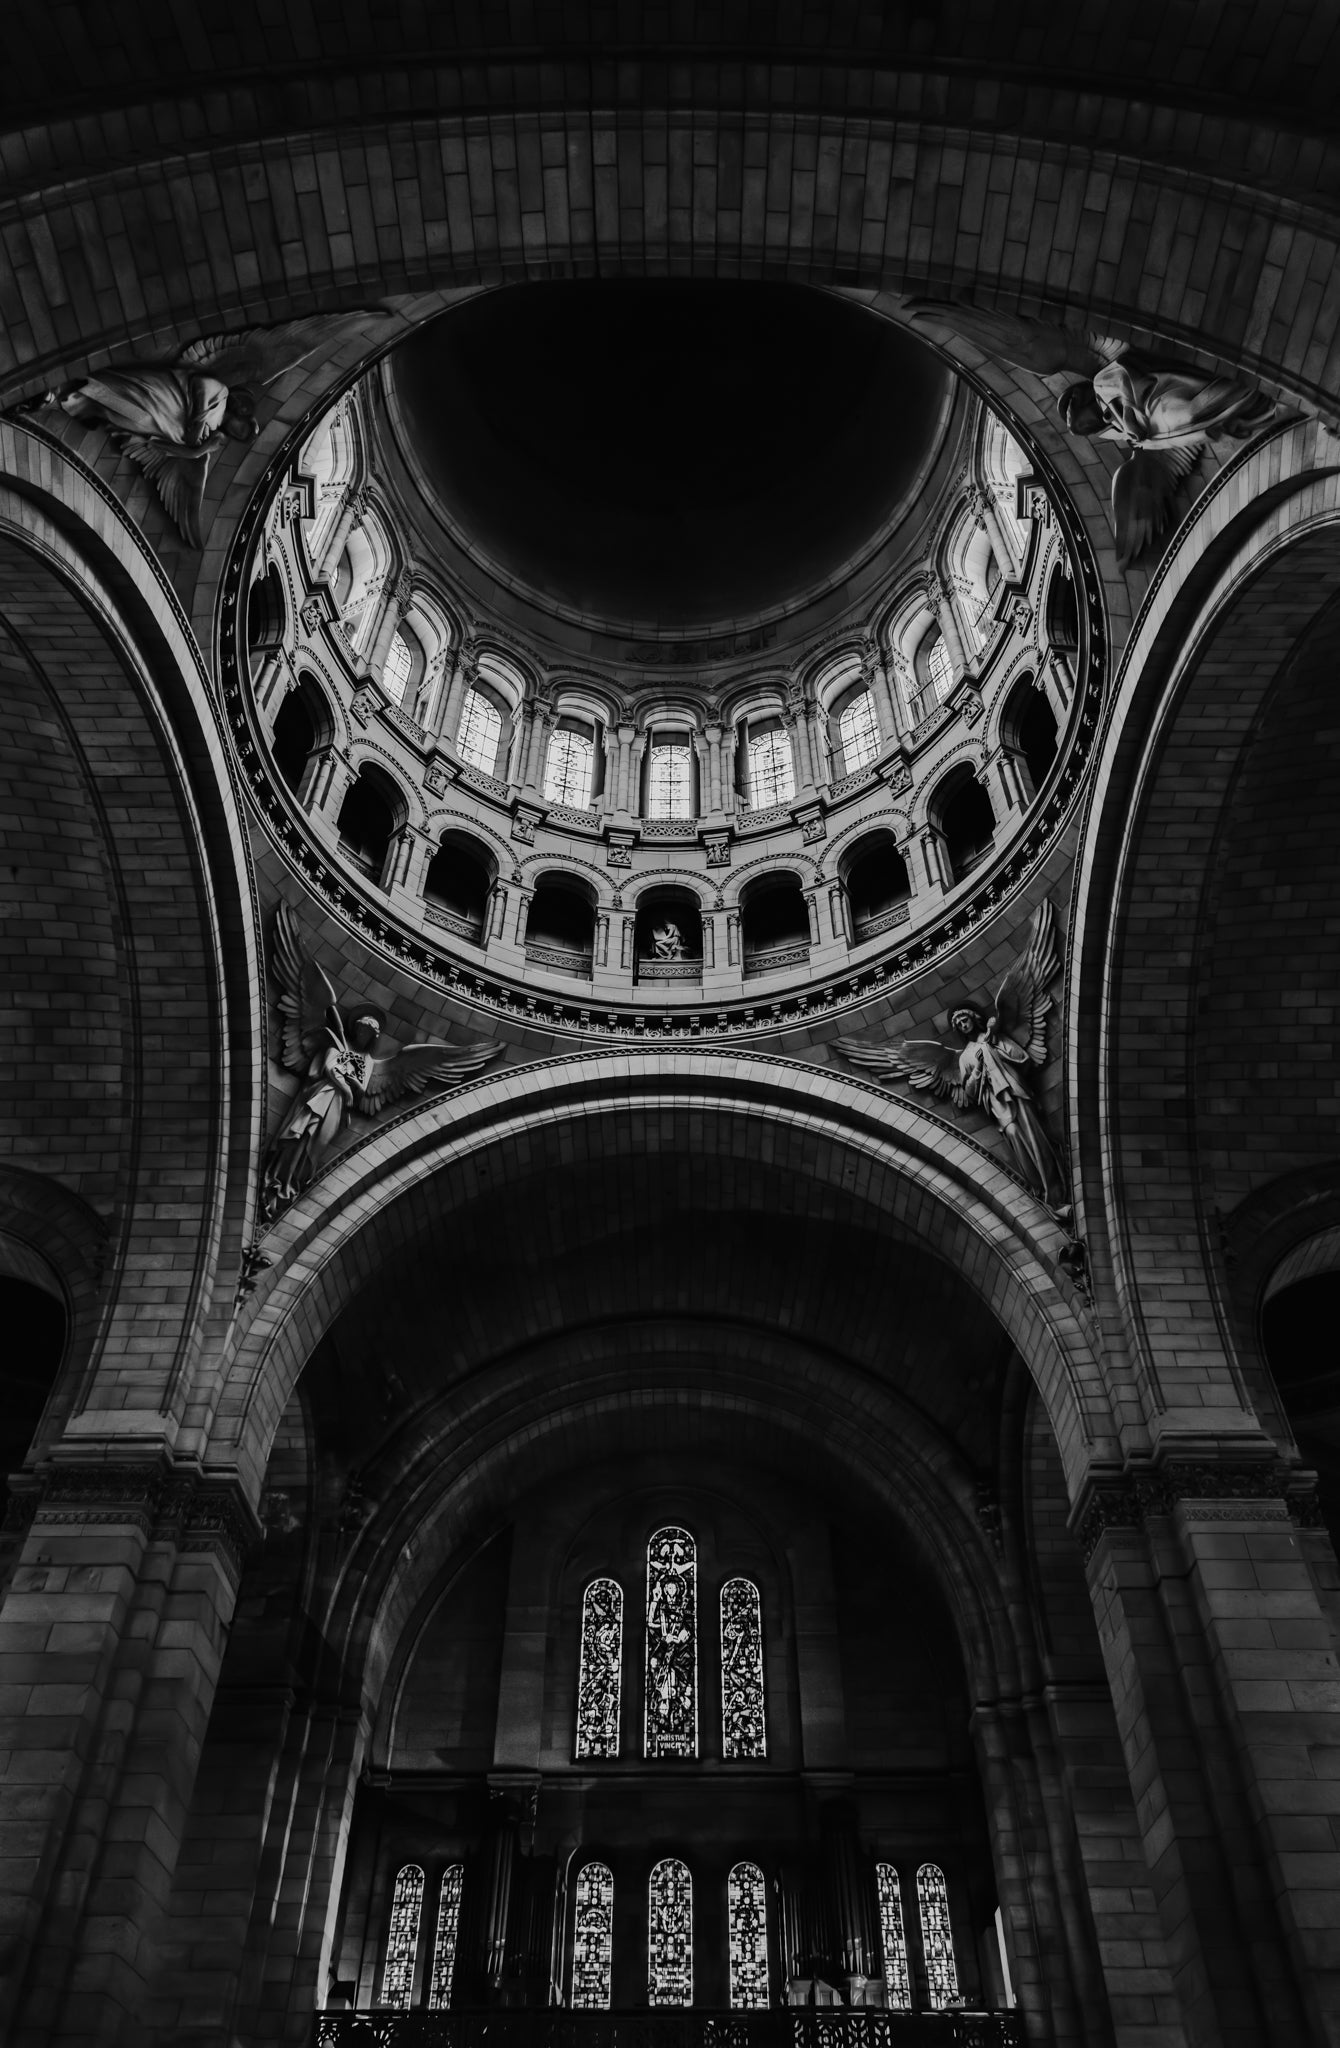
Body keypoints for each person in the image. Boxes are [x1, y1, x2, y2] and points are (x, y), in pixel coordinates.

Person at [951, 1004, 1066, 1209]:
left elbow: (1022, 1057)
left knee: (1035, 1136)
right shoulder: (965, 1057)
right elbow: (969, 1091)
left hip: (1016, 1092)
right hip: (998, 1103)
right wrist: (978, 1068)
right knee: (1014, 1134)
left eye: (965, 1020)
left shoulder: (992, 1038)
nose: (963, 1024)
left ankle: (1056, 1189)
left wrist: (995, 1043)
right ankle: (1040, 1188)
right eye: (959, 1024)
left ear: (973, 1019)